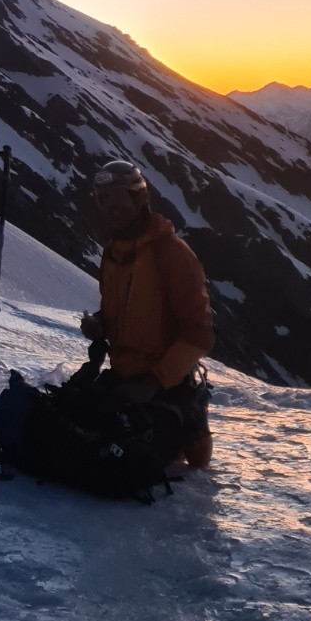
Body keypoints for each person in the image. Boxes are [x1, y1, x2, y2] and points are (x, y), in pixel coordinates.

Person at [81, 158, 214, 466]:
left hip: (164, 389)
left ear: (139, 200)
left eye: (119, 200)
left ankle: (189, 429)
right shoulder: (113, 255)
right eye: (105, 201)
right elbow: (120, 313)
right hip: (125, 382)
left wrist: (153, 382)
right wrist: (100, 324)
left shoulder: (171, 254)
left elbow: (199, 334)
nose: (111, 209)